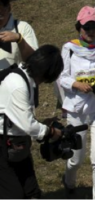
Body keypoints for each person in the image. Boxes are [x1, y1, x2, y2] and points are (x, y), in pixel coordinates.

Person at [59, 6, 95, 200]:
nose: (90, 32)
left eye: (94, 27)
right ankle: (69, 181)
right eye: (86, 27)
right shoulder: (69, 49)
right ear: (79, 27)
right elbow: (61, 77)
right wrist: (76, 84)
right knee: (76, 159)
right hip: (77, 110)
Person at [0, 45, 64, 199]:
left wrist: (42, 123)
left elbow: (20, 116)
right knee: (12, 195)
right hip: (3, 143)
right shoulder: (18, 84)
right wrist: (51, 132)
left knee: (32, 192)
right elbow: (28, 125)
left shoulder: (26, 78)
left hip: (17, 141)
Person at [0, 0, 38, 71]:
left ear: (9, 8)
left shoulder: (22, 27)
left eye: (0, 15)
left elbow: (35, 62)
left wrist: (20, 40)